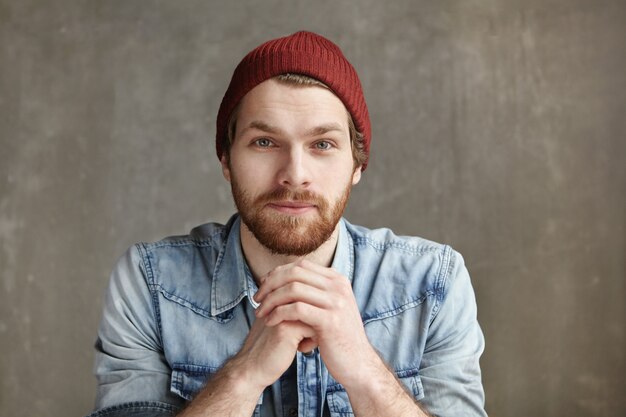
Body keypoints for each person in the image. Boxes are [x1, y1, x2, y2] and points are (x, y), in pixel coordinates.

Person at [87, 31, 486, 417]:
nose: (295, 175)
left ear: (357, 164)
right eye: (264, 142)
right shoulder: (150, 284)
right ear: (226, 159)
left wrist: (365, 372)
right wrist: (244, 376)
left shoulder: (434, 283)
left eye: (322, 144)